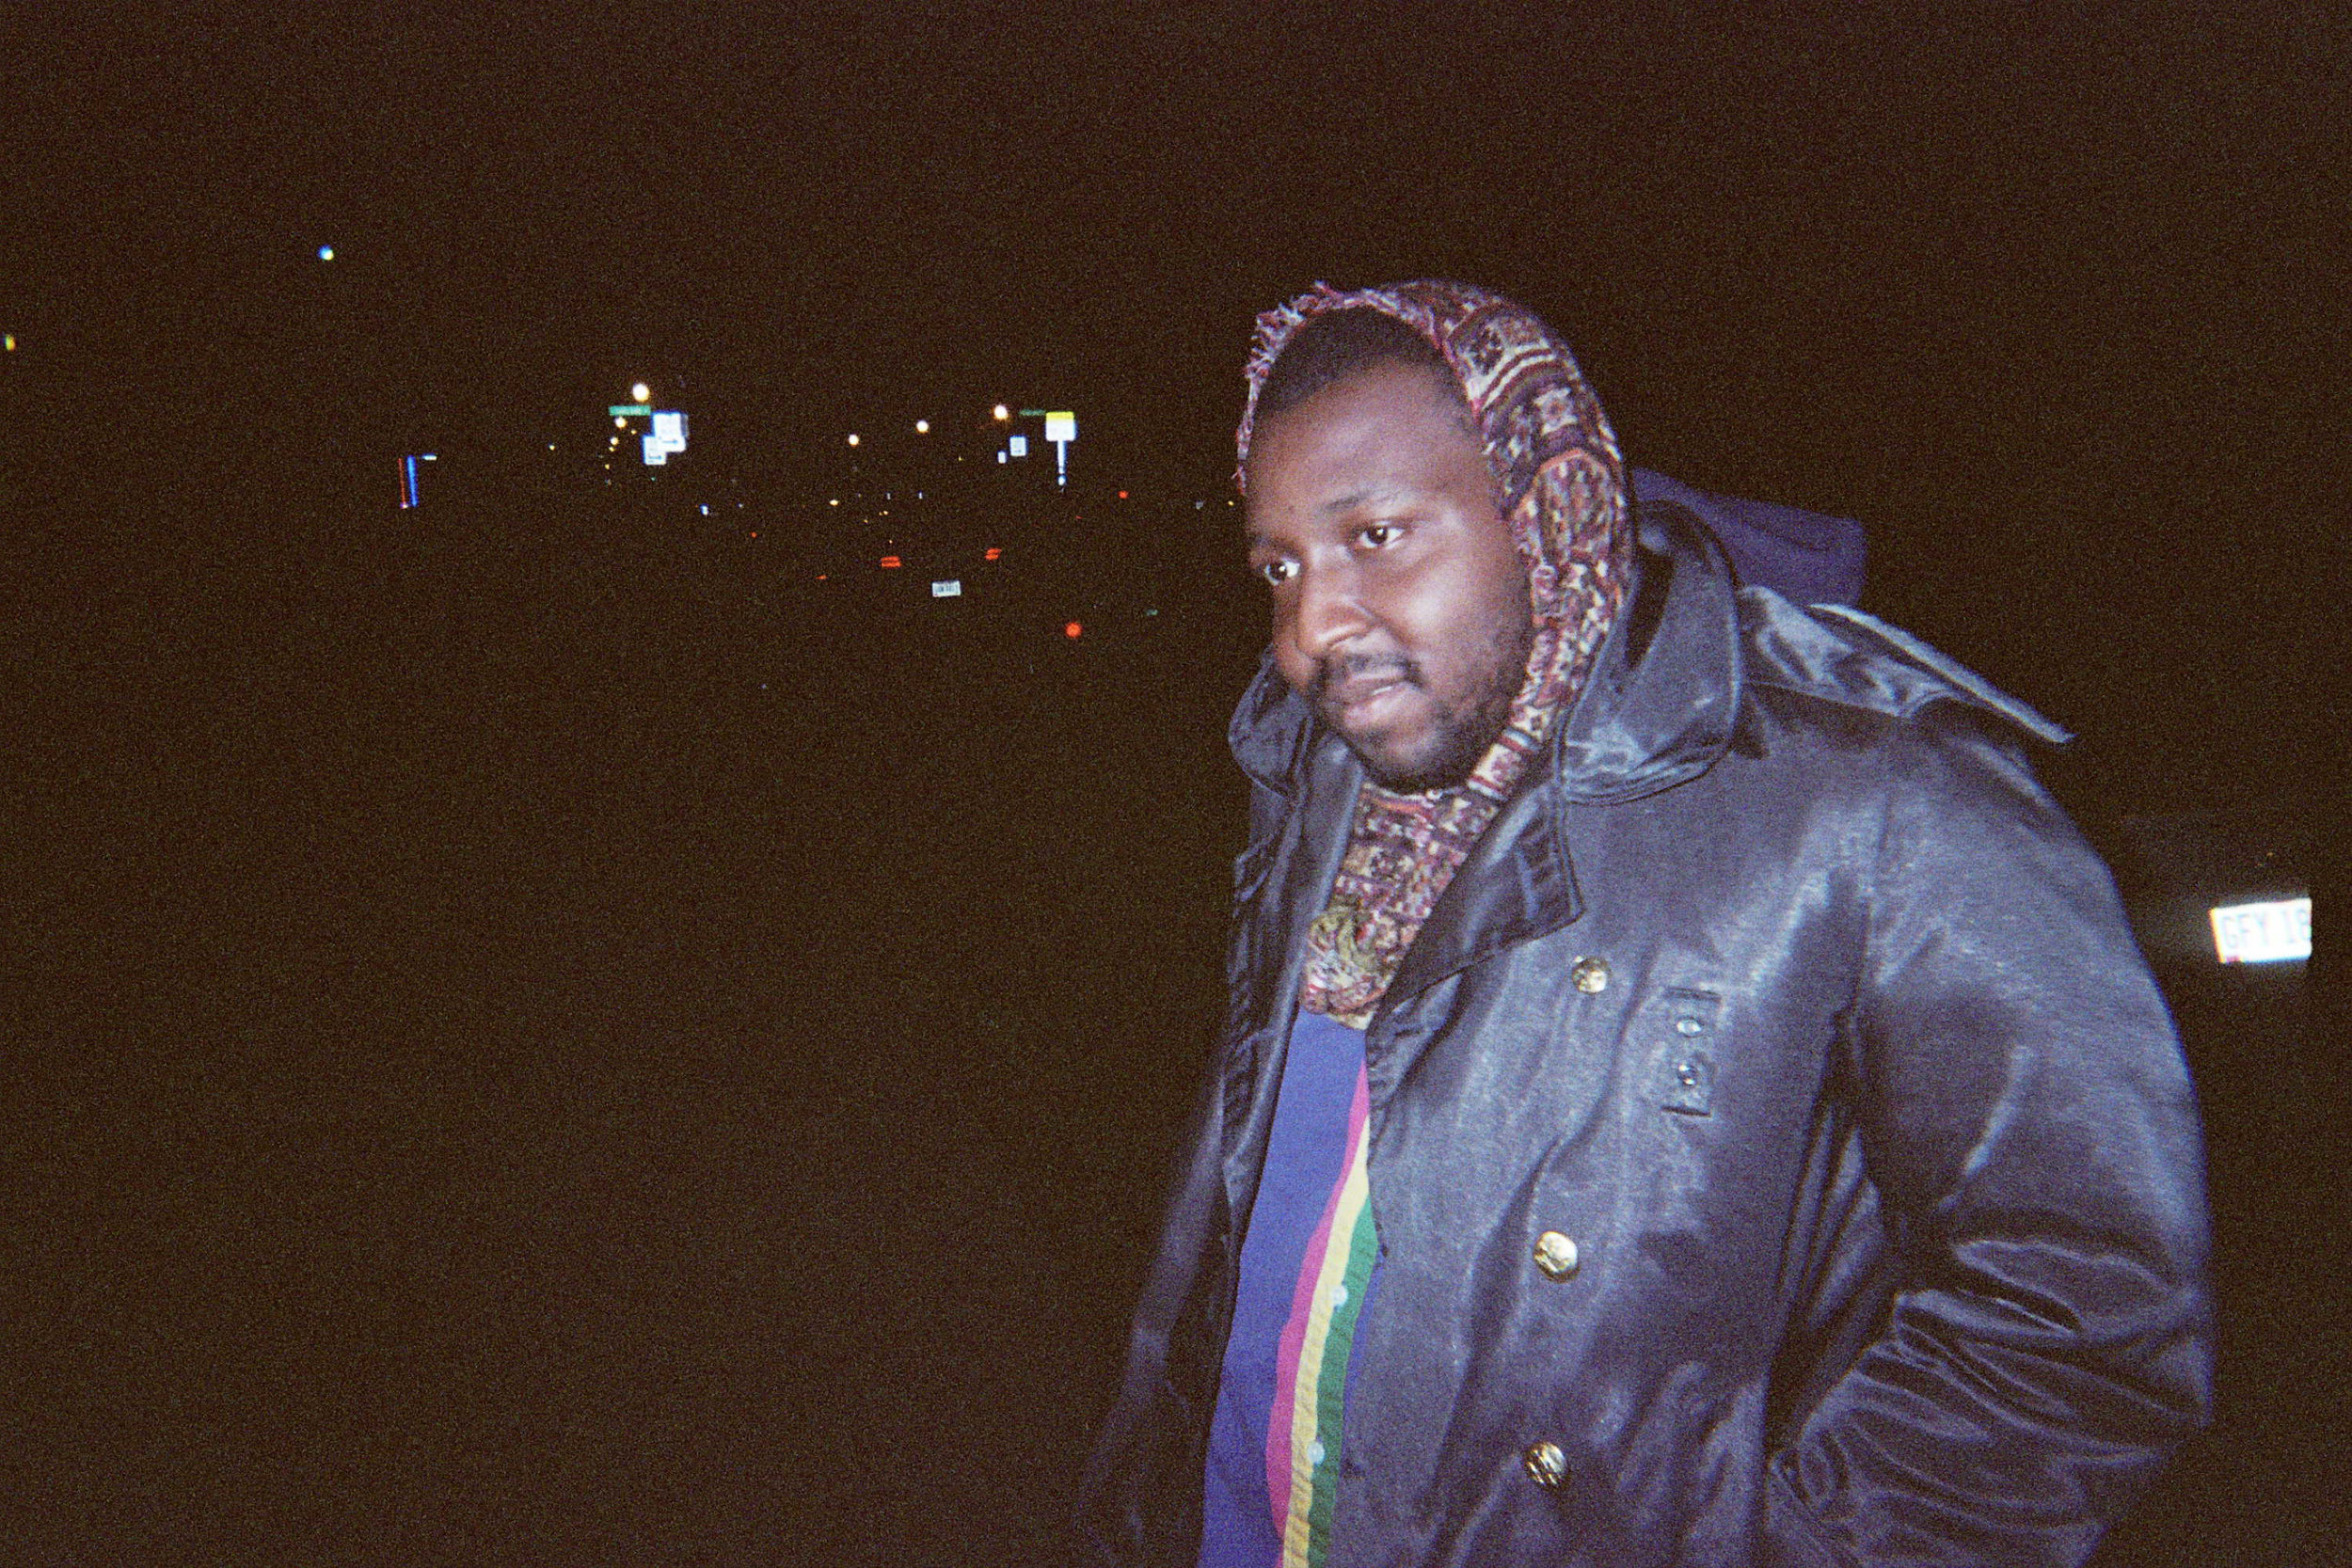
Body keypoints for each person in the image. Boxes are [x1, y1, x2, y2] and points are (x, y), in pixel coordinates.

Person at [1077, 280, 2212, 1567]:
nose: (1310, 630)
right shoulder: (1318, 774)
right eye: (1279, 566)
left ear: (1545, 504)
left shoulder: (1877, 795)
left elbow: (2084, 1316)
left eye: (1376, 536)